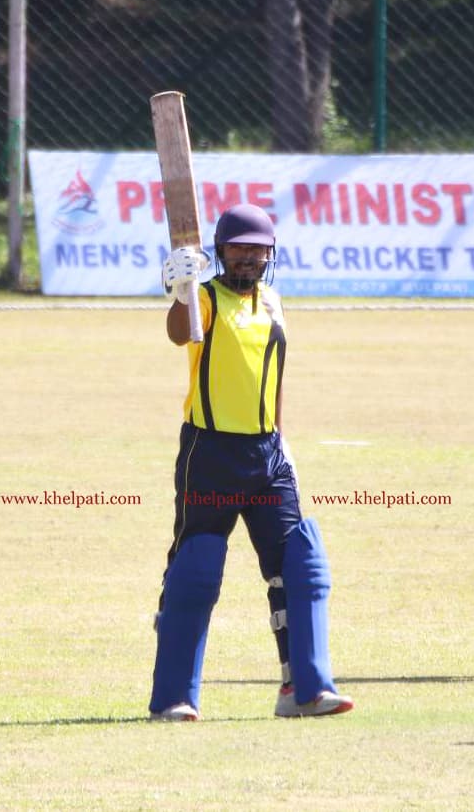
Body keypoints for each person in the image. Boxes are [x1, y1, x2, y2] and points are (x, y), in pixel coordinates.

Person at [149, 203, 353, 721]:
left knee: (300, 567)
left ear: (270, 255)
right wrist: (180, 292)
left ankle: (303, 690)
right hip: (211, 452)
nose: (247, 258)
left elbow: (275, 376)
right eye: (238, 248)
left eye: (257, 250)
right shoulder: (206, 299)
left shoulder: (274, 303)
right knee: (196, 570)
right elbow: (179, 333)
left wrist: (282, 440)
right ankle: (174, 696)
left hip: (268, 456)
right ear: (221, 252)